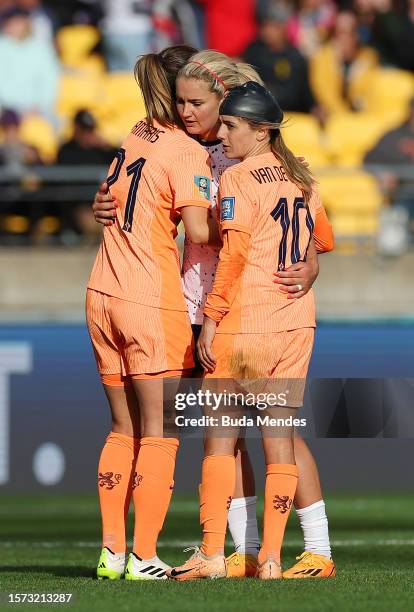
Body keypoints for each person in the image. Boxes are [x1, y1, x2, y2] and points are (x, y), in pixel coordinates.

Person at [93, 49, 336, 580]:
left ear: (229, 105)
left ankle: (317, 545)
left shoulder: (247, 157)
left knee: (279, 431)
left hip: (248, 306)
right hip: (197, 300)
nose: (186, 112)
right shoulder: (193, 149)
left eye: (197, 103)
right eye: (181, 101)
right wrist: (107, 203)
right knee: (223, 433)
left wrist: (308, 261)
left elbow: (308, 230)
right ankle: (243, 549)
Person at [168, 81, 330, 581]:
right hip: (297, 322)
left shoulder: (238, 179)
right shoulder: (301, 175)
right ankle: (274, 562)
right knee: (279, 439)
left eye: (233, 127)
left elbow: (233, 256)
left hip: (249, 324)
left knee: (219, 439)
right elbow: (322, 239)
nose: (224, 136)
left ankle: (215, 555)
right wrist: (307, 267)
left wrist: (212, 319)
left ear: (260, 131)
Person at [86, 44, 220, 581]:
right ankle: (144, 557)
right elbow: (200, 232)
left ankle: (111, 553)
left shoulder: (138, 131)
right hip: (149, 298)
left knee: (122, 427)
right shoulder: (186, 152)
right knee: (162, 431)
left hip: (101, 290)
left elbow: (113, 197)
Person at [242, 2, 319, 115]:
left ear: (284, 27)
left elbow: (302, 94)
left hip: (292, 118)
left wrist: (315, 107)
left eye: (273, 26)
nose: (268, 31)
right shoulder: (253, 51)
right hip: (260, 114)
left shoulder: (295, 57)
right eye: (265, 25)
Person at [0, 6, 59, 121]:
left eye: (20, 22)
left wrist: (39, 107)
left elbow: (49, 81)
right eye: (13, 23)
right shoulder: (2, 47)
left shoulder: (41, 49)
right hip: (5, 110)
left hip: (36, 110)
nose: (17, 27)